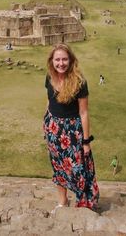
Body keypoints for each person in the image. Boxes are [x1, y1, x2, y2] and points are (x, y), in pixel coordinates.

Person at [43, 43, 99, 213]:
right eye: (57, 59)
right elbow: (49, 101)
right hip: (53, 129)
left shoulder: (79, 81)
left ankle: (84, 204)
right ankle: (62, 201)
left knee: (79, 170)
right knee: (58, 167)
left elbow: (83, 113)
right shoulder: (49, 77)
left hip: (72, 132)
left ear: (71, 60)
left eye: (64, 59)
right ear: (52, 61)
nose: (61, 63)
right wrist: (46, 120)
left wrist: (86, 142)